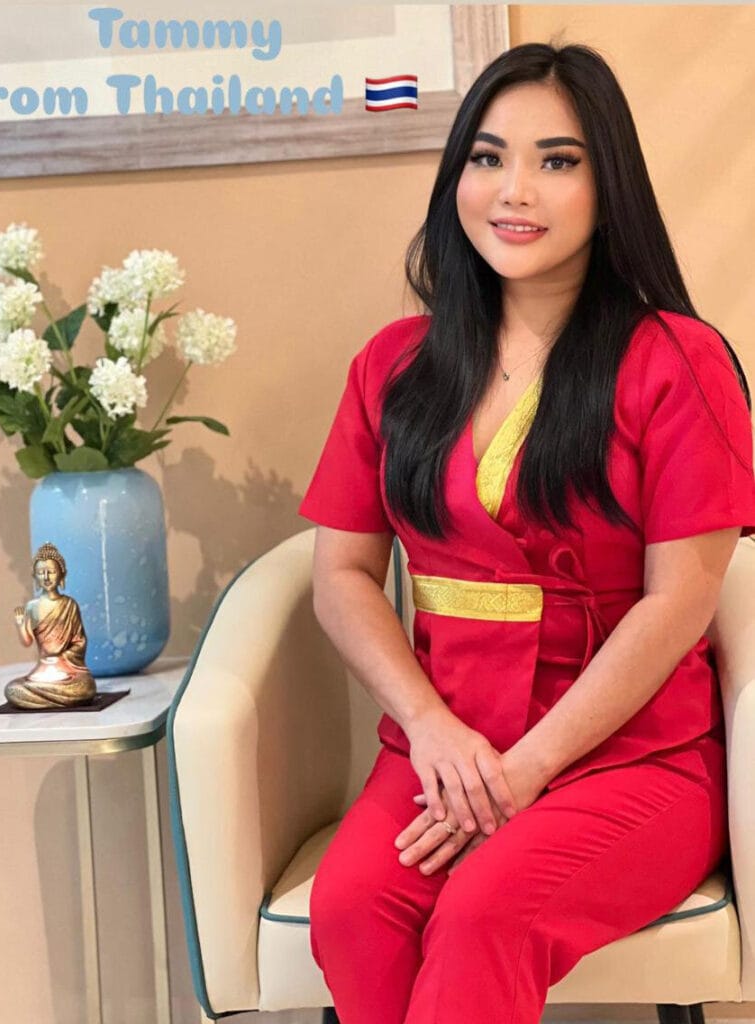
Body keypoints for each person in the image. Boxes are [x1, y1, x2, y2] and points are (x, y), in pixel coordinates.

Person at [296, 40, 755, 1024]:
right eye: (488, 157)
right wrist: (428, 726)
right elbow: (341, 574)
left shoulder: (678, 359)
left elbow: (682, 601)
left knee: (482, 915)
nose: (516, 190)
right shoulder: (393, 364)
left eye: (558, 160)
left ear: (608, 184)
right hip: (443, 744)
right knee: (353, 910)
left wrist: (531, 768)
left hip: (632, 755)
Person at [5, 542, 97, 708]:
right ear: (35, 577)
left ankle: (46, 697)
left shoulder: (70, 605)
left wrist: (62, 659)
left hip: (67, 670)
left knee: (87, 687)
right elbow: (27, 642)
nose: (46, 577)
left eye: (51, 572)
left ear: (62, 574)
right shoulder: (32, 607)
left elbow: (80, 641)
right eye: (41, 573)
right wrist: (20, 625)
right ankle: (55, 697)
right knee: (13, 690)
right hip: (42, 672)